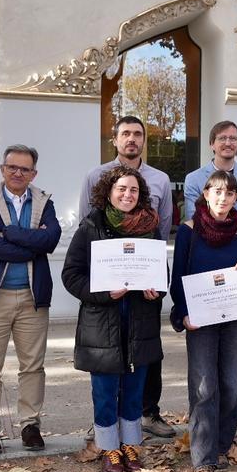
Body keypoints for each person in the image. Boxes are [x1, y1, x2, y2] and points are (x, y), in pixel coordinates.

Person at [79, 115, 175, 439]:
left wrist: (156, 286)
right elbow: (87, 234)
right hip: (107, 299)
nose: (131, 139)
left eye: (137, 134)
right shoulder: (94, 177)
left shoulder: (160, 179)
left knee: (144, 361)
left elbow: (160, 234)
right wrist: (102, 288)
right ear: (116, 139)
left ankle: (146, 417)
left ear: (144, 139)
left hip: (142, 294)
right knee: (107, 369)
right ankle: (106, 433)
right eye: (125, 134)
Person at [0, 145, 62, 454]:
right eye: (12, 167)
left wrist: (7, 233)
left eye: (25, 169)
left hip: (32, 297)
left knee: (33, 367)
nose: (18, 173)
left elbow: (51, 239)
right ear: (2, 169)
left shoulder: (43, 201)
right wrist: (30, 245)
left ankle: (30, 425)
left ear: (33, 173)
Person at [171, 170, 237, 472]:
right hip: (201, 321)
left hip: (236, 319)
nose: (223, 198)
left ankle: (221, 445)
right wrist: (182, 314)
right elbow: (178, 278)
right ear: (206, 194)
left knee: (233, 385)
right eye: (217, 191)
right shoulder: (188, 231)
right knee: (204, 388)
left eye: (229, 193)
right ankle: (203, 460)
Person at [182, 121, 237, 429]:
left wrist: (223, 216)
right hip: (206, 276)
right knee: (207, 354)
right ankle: (210, 418)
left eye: (233, 138)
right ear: (212, 144)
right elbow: (191, 218)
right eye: (222, 138)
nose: (228, 142)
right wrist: (229, 215)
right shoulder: (194, 178)